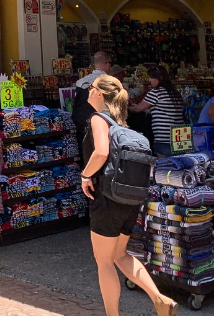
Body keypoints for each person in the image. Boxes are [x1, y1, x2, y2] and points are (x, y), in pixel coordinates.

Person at [81, 75, 176, 316]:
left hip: (107, 198)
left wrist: (85, 175)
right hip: (129, 199)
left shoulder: (98, 119)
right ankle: (160, 298)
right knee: (120, 254)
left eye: (91, 88)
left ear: (99, 94)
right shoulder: (121, 124)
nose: (88, 92)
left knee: (104, 261)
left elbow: (101, 153)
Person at [129, 67, 185, 158]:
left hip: (164, 140)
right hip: (180, 139)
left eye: (152, 78)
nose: (149, 80)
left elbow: (139, 108)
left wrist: (127, 108)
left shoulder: (156, 93)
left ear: (160, 78)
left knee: (164, 168)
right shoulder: (176, 93)